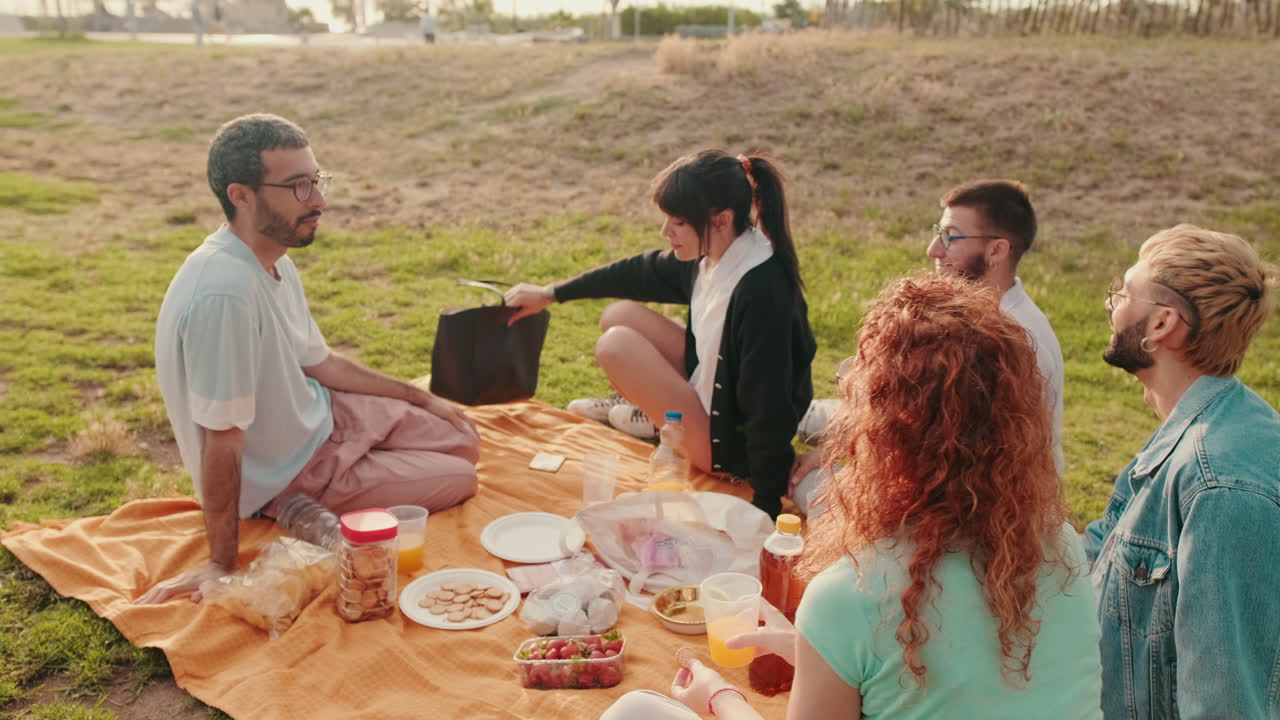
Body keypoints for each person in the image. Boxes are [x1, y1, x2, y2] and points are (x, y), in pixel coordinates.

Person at [601, 273, 1102, 720]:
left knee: (635, 710)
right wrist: (814, 648)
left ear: (883, 433)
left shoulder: (851, 595)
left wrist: (718, 698)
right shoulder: (1059, 544)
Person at [136, 114, 480, 604]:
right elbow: (222, 441)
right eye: (298, 186)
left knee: (462, 437)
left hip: (323, 414)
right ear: (241, 195)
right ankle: (293, 508)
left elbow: (321, 363)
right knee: (460, 477)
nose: (318, 200)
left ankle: (374, 455)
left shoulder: (273, 257)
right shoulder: (224, 293)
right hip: (293, 472)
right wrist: (221, 561)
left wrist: (419, 397)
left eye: (316, 181)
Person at [504, 150, 815, 518]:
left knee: (615, 345)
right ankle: (654, 415)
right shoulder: (718, 251)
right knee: (618, 315)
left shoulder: (760, 290)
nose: (665, 232)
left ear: (721, 220)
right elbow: (640, 272)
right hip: (714, 394)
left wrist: (766, 501)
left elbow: (770, 402)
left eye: (678, 222)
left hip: (731, 447)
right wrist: (551, 293)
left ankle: (657, 420)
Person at [1085, 224, 1279, 719]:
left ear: (1162, 325)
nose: (1113, 307)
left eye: (1123, 294)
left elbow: (1225, 700)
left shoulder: (1220, 484)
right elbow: (1088, 560)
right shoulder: (1191, 436)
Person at [791, 179, 1064, 515]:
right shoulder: (973, 313)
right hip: (929, 439)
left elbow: (937, 451)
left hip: (970, 503)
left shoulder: (1008, 342)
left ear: (997, 250)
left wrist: (842, 450)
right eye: (939, 232)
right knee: (799, 411)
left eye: (951, 236)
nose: (933, 249)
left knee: (800, 481)